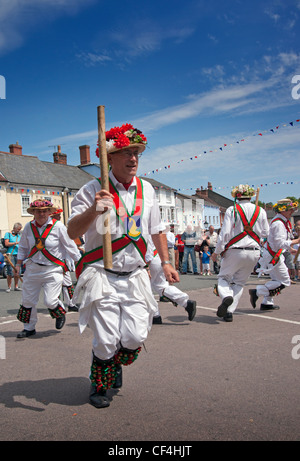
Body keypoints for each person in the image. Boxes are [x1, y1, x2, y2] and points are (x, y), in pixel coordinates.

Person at [67, 123, 179, 409]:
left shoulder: (148, 189)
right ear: (109, 159)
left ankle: (115, 362)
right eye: (125, 153)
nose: (133, 159)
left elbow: (157, 229)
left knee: (134, 337)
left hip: (135, 275)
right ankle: (99, 384)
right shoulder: (92, 189)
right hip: (101, 274)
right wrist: (95, 209)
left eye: (136, 154)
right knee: (105, 341)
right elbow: (71, 232)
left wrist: (165, 262)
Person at [15, 200, 81, 338]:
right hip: (32, 269)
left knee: (50, 301)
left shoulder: (58, 227)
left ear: (50, 212)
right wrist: (18, 264)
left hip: (53, 269)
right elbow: (23, 247)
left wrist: (80, 262)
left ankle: (60, 311)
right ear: (33, 213)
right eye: (38, 211)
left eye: (45, 211)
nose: (42, 214)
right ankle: (29, 328)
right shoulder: (28, 227)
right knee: (27, 301)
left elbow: (70, 245)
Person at [211, 184, 269, 322]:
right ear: (250, 196)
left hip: (235, 250)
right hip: (254, 251)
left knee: (224, 278)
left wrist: (217, 252)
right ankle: (229, 312)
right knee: (239, 283)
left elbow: (224, 233)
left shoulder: (233, 210)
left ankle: (226, 297)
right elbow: (266, 233)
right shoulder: (260, 210)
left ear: (236, 196)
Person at [249, 198, 300, 311]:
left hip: (273, 254)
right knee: (285, 281)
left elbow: (277, 242)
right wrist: (296, 241)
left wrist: (290, 248)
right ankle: (257, 291)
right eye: (290, 210)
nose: (292, 212)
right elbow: (279, 243)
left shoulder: (282, 222)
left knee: (276, 280)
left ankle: (267, 302)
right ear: (282, 210)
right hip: (273, 256)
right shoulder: (278, 224)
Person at [146, 237, 196, 324]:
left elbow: (147, 247)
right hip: (158, 257)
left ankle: (155, 315)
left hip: (149, 258)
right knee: (161, 285)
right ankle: (185, 302)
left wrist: (146, 266)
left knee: (146, 288)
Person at [50, 208, 79, 312]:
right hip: (51, 262)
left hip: (62, 261)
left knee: (67, 283)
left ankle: (71, 304)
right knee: (54, 285)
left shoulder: (59, 226)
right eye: (58, 215)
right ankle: (56, 306)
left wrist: (77, 258)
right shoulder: (55, 227)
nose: (60, 217)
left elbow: (69, 244)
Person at [4, 223, 23, 292]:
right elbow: (6, 243)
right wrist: (16, 243)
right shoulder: (8, 234)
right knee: (10, 271)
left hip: (18, 255)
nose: (19, 231)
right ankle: (9, 287)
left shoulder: (19, 236)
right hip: (10, 255)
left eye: (20, 229)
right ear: (14, 228)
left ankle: (16, 286)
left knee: (17, 271)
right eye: (18, 229)